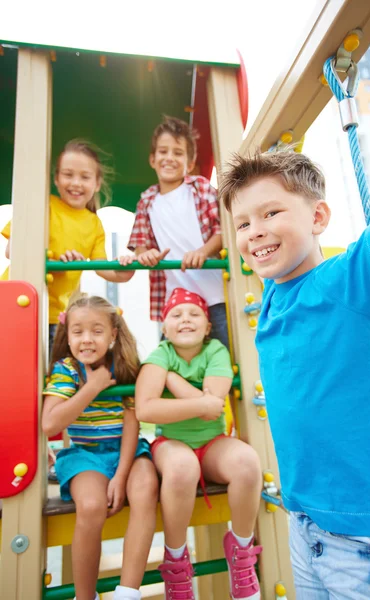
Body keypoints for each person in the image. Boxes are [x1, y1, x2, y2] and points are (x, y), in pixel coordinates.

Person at [220, 150, 370, 599]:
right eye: (242, 223)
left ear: (318, 216)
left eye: (271, 212)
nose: (254, 231)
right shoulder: (273, 295)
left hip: (367, 534)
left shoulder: (347, 281)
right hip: (302, 520)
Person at [135, 287, 263, 600]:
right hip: (172, 443)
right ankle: (176, 558)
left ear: (207, 327)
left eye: (194, 314)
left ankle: (242, 550)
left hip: (212, 442)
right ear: (164, 328)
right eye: (176, 315)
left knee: (247, 462)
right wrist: (201, 403)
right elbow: (146, 409)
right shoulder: (160, 354)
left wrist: (174, 382)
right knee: (181, 467)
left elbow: (214, 407)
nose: (185, 319)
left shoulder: (215, 350)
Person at [42, 294, 159, 600]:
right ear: (67, 336)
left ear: (113, 334)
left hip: (127, 452)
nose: (87, 340)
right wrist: (91, 388)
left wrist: (120, 476)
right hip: (85, 456)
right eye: (78, 332)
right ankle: (85, 596)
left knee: (146, 488)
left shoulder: (124, 367)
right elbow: (50, 424)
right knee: (92, 506)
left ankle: (128, 591)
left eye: (97, 331)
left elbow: (132, 423)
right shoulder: (66, 370)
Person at [1, 139, 130, 351]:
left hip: (55, 314)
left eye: (85, 177)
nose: (76, 183)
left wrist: (126, 271)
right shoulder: (43, 205)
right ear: (56, 179)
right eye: (68, 175)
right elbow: (12, 251)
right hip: (16, 301)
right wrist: (53, 261)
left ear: (97, 183)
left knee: (53, 371)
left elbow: (103, 268)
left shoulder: (94, 224)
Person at [119, 116, 229, 348]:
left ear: (189, 163)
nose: (169, 158)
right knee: (169, 361)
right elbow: (141, 243)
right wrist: (144, 254)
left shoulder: (199, 188)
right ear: (152, 159)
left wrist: (203, 251)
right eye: (163, 151)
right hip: (174, 301)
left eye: (178, 153)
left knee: (225, 352)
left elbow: (222, 232)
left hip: (214, 295)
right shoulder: (147, 200)